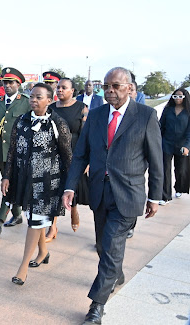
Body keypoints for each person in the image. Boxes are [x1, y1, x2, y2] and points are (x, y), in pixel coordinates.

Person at [61, 67, 163, 324]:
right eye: (106, 86)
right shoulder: (95, 116)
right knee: (102, 245)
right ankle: (115, 275)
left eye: (116, 86)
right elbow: (81, 154)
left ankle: (97, 306)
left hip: (128, 194)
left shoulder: (146, 116)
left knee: (112, 247)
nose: (110, 91)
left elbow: (156, 158)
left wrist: (155, 196)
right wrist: (70, 186)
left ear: (129, 87)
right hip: (99, 192)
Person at [1, 83, 72, 285]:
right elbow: (12, 152)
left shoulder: (57, 123)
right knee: (33, 217)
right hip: (24, 179)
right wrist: (7, 176)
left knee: (35, 220)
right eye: (32, 96)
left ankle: (22, 267)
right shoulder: (21, 121)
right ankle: (43, 252)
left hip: (48, 182)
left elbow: (68, 156)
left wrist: (71, 186)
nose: (33, 100)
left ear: (49, 100)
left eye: (39, 97)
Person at [0, 67, 31, 236]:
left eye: (10, 82)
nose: (7, 86)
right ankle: (18, 214)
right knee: (9, 182)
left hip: (20, 151)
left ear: (18, 84)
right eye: (4, 82)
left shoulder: (26, 102)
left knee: (9, 183)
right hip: (1, 151)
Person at [47, 78, 89, 242]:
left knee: (72, 187)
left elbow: (87, 135)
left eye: (64, 88)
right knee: (54, 191)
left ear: (72, 91)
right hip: (54, 155)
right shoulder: (50, 109)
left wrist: (87, 160)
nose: (59, 90)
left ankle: (74, 210)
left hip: (75, 154)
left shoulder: (81, 108)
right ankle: (53, 227)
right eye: (58, 88)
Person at [160, 88, 190, 204]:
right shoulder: (168, 110)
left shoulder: (188, 112)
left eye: (180, 97)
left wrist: (187, 146)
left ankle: (179, 187)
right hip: (166, 143)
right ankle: (165, 195)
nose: (178, 99)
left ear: (185, 97)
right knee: (165, 170)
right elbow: (161, 126)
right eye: (175, 96)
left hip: (182, 145)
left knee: (181, 170)